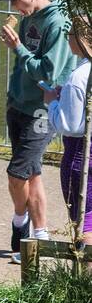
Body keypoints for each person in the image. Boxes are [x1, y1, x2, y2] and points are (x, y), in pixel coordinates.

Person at [0, 0, 75, 264]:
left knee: (16, 174)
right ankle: (40, 235)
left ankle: (20, 224)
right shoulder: (28, 15)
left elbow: (50, 72)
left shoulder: (56, 21)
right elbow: (27, 64)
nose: (14, 7)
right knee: (32, 173)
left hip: (40, 110)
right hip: (18, 104)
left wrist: (17, 47)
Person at [45, 18, 92, 259]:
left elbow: (71, 125)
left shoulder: (79, 76)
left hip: (80, 154)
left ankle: (84, 284)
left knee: (84, 222)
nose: (67, 37)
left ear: (81, 38)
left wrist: (52, 102)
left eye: (70, 32)